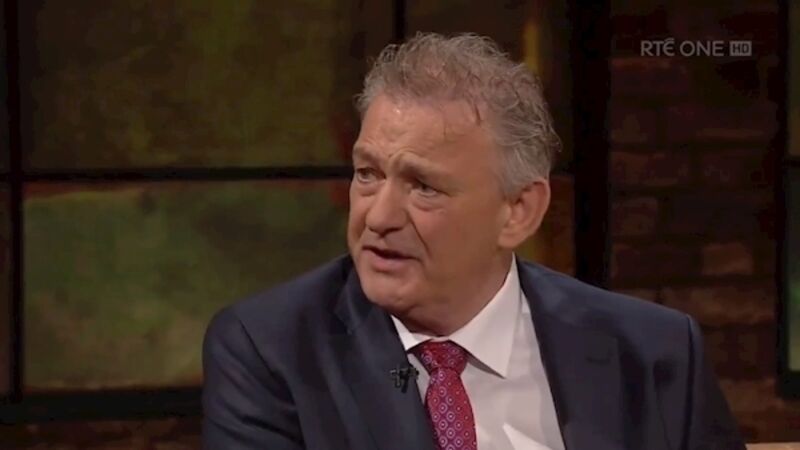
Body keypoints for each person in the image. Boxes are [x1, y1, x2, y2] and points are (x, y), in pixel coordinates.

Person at [202, 32, 745, 450]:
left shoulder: (654, 353)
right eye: (368, 174)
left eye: (423, 186)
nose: (378, 217)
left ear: (518, 211)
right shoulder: (271, 350)